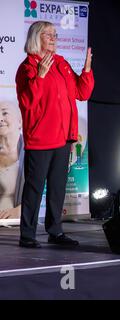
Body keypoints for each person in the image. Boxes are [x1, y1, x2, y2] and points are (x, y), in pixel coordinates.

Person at [15, 21, 94, 248]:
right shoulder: (27, 67)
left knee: (58, 187)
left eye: (55, 34)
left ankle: (55, 231)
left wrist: (86, 70)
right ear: (35, 37)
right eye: (48, 34)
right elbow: (28, 103)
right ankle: (27, 235)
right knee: (34, 187)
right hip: (40, 139)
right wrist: (39, 76)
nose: (53, 38)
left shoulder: (61, 63)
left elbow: (82, 92)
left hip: (63, 138)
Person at [0, 100, 24, 220]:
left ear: (20, 122)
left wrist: (22, 210)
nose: (0, 118)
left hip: (19, 226)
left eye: (5, 113)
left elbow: (44, 192)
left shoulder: (31, 153)